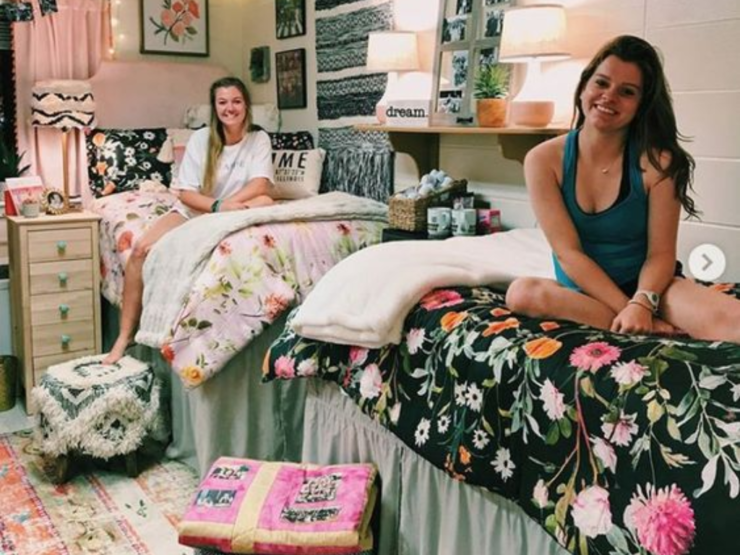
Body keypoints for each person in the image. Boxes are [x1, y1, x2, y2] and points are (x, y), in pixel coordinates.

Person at [506, 35, 740, 344]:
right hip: (586, 292)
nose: (609, 97)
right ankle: (646, 328)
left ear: (641, 105)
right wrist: (628, 311)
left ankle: (640, 322)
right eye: (601, 83)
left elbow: (661, 254)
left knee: (733, 319)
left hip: (651, 289)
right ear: (584, 87)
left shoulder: (658, 163)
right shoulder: (543, 160)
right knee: (522, 294)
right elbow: (568, 254)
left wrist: (641, 304)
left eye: (627, 92)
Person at [103, 76, 276, 364]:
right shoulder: (201, 139)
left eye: (236, 101)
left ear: (246, 105)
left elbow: (260, 184)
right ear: (215, 107)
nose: (230, 108)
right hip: (197, 209)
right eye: (223, 102)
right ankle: (124, 337)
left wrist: (230, 207)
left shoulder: (259, 139)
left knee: (265, 200)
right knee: (140, 250)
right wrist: (219, 206)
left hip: (233, 210)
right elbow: (186, 194)